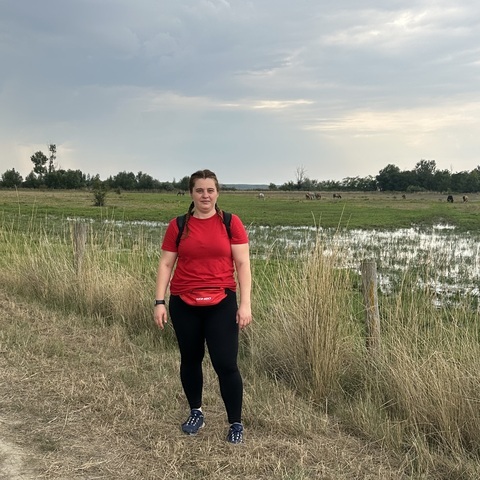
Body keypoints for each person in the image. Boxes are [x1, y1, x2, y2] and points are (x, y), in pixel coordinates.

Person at [154, 169, 252, 444]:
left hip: (221, 302)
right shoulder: (178, 225)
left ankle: (235, 423)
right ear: (191, 193)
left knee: (226, 363)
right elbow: (166, 264)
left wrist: (245, 304)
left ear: (217, 193)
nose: (205, 195)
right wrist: (159, 301)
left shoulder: (231, 223)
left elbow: (243, 264)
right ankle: (196, 412)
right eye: (199, 190)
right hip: (184, 303)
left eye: (210, 190)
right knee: (190, 359)